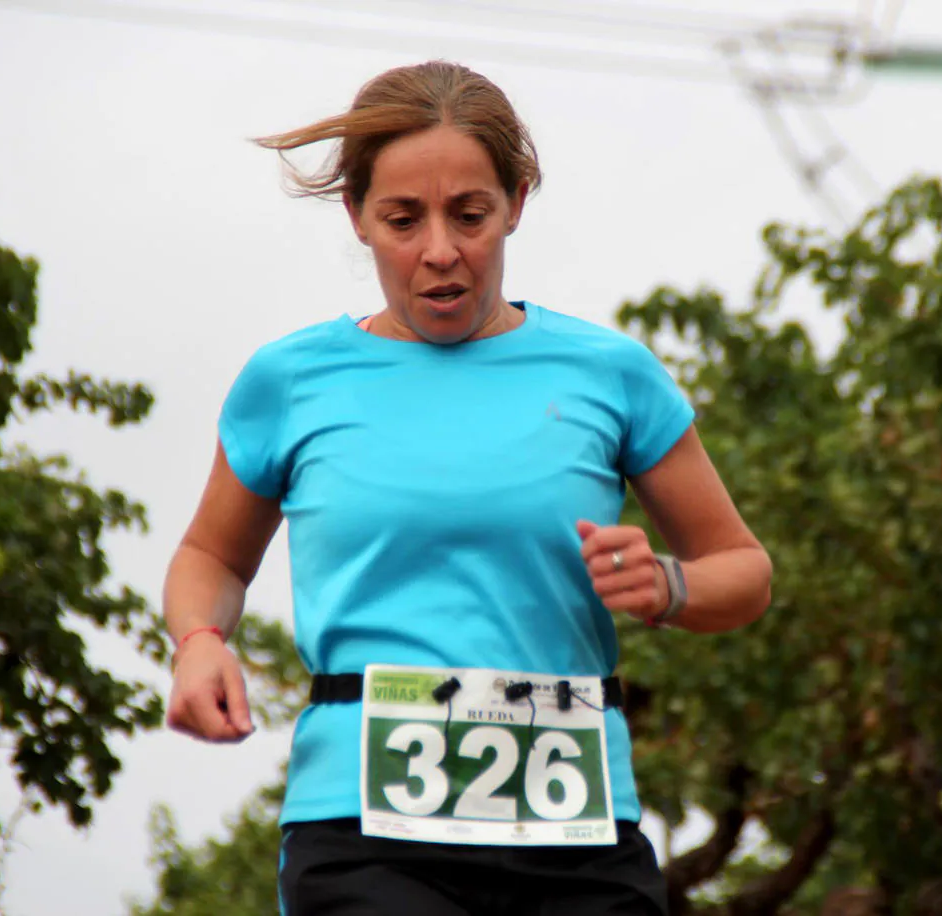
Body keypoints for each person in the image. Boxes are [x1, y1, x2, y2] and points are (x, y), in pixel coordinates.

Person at [162, 60, 772, 916]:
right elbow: (209, 557)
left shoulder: (610, 374)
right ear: (358, 217)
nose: (440, 250)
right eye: (403, 219)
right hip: (364, 834)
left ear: (517, 201)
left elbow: (743, 570)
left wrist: (670, 583)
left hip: (579, 838)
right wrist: (198, 639)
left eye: (470, 215)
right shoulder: (290, 381)